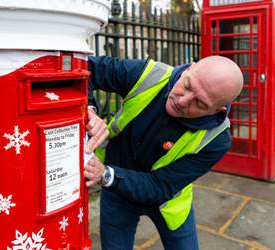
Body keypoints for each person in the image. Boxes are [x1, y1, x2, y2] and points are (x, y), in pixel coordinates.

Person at [84, 55, 243, 250]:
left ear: (217, 110)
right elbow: (86, 67)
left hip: (166, 201)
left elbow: (160, 186)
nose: (183, 101)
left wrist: (105, 175)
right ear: (189, 68)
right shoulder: (148, 74)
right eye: (187, 85)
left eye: (200, 103)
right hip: (117, 192)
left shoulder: (217, 139)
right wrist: (88, 110)